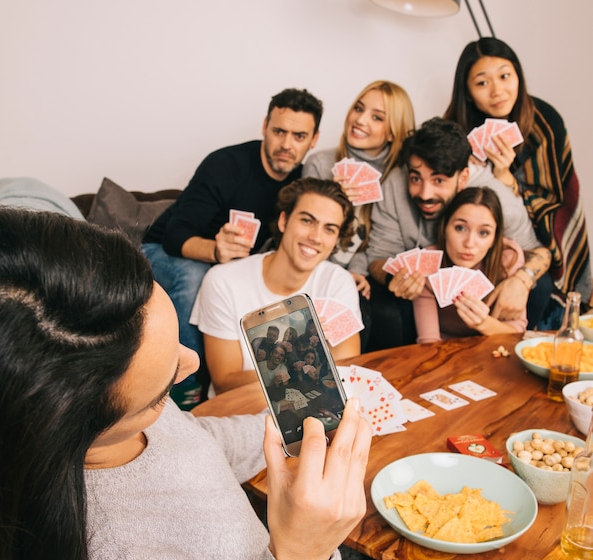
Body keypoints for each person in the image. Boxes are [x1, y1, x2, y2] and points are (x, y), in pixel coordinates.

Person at [0, 205, 371, 560]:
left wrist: (302, 428)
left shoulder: (120, 417)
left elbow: (193, 440)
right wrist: (302, 558)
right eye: (162, 394)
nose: (192, 362)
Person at [141, 88, 323, 386]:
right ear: (265, 127)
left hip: (234, 267)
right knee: (195, 276)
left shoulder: (305, 181)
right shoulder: (225, 165)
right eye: (279, 131)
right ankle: (185, 389)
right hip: (163, 252)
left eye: (299, 136)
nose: (286, 144)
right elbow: (174, 236)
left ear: (314, 139)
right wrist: (215, 251)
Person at [365, 117, 552, 350]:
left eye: (439, 180)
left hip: (491, 292)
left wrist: (522, 281)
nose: (425, 193)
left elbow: (540, 252)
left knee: (541, 283)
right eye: (416, 178)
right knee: (385, 303)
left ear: (462, 178)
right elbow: (377, 256)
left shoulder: (495, 201)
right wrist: (394, 278)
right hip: (422, 292)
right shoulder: (394, 185)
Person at [443, 37, 591, 328]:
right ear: (469, 93)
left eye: (505, 76)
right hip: (480, 243)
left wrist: (507, 180)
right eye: (482, 83)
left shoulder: (545, 122)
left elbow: (556, 200)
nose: (498, 90)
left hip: (539, 243)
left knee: (543, 286)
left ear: (519, 77)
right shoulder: (457, 134)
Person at [191, 177, 362, 395]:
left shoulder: (338, 283)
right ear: (283, 221)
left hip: (313, 411)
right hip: (241, 410)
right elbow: (226, 382)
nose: (316, 237)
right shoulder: (223, 281)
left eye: (329, 229)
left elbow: (344, 374)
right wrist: (299, 368)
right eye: (307, 221)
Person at [303, 80, 416, 303]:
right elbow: (303, 231)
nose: (360, 120)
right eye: (358, 108)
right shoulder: (320, 164)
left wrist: (356, 272)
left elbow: (376, 244)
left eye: (377, 117)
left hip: (360, 272)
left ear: (393, 132)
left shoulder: (397, 178)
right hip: (313, 268)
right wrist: (335, 200)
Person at [414, 186, 527, 343]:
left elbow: (517, 334)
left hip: (492, 348)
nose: (469, 243)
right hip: (443, 350)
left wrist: (484, 323)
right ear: (444, 228)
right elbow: (429, 341)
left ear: (495, 238)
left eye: (483, 233)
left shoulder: (508, 258)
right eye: (460, 228)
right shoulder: (428, 263)